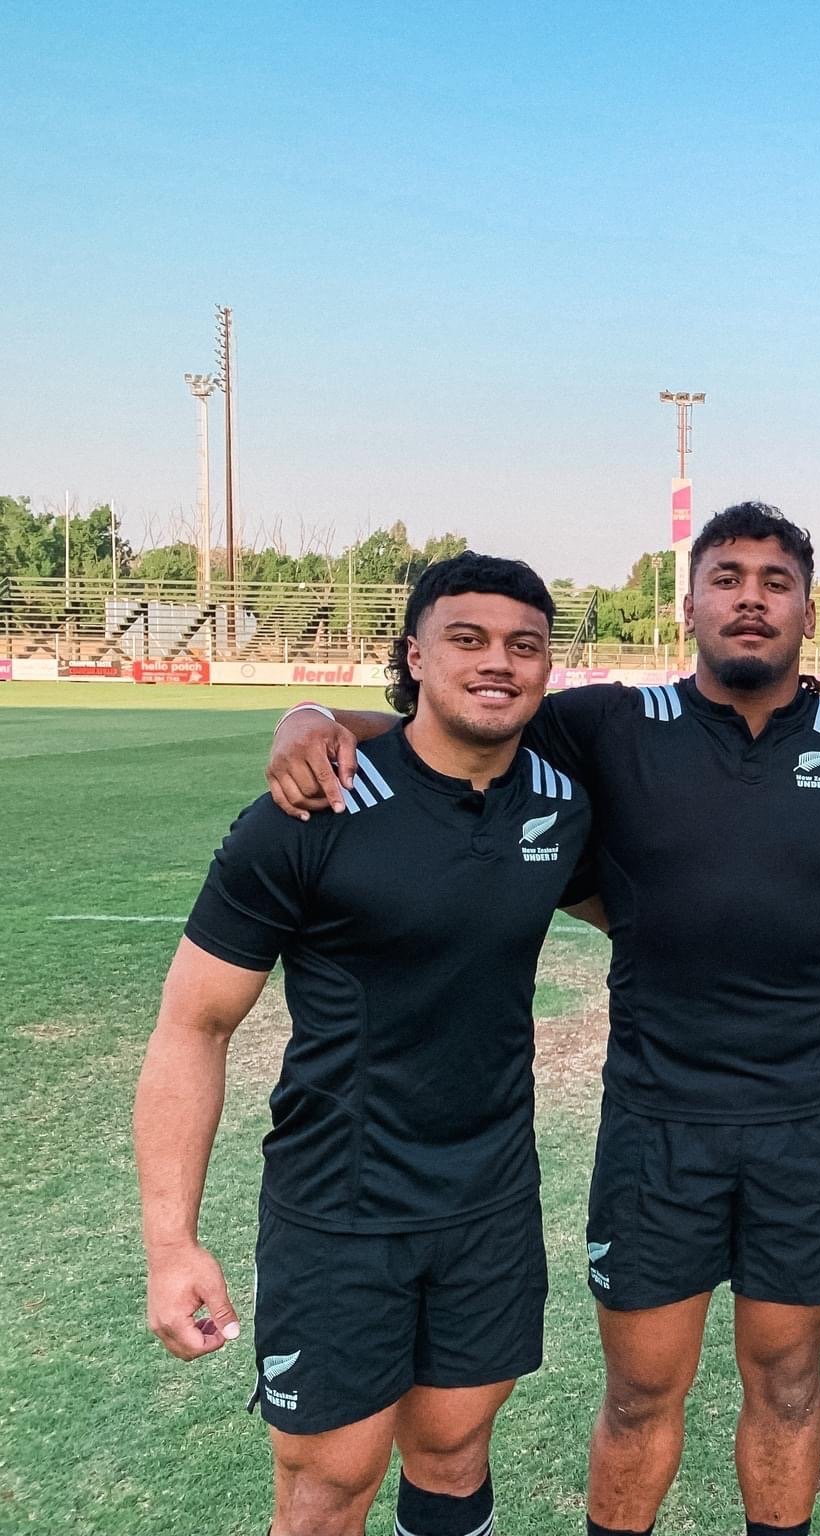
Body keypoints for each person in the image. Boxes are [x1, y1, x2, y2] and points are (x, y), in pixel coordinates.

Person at [265, 503, 820, 1536]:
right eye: (728, 576)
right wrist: (311, 716)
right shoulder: (606, 727)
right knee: (640, 1396)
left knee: (788, 1385)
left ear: (805, 606)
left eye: (775, 580)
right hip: (657, 1125)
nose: (751, 597)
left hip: (810, 1123)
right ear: (689, 600)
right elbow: (451, 735)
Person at [136, 553, 594, 1536]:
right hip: (340, 1211)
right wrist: (169, 1244)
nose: (497, 663)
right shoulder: (311, 811)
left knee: (455, 1453)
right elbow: (193, 1024)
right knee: (327, 1488)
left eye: (525, 645)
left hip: (491, 1204)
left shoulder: (560, 806)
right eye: (466, 639)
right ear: (414, 656)